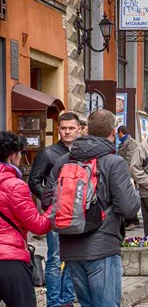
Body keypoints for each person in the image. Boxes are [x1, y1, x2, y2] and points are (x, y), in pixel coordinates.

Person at [43, 110, 140, 307]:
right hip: (102, 246)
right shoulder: (114, 162)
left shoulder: (64, 161)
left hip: (71, 247)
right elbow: (129, 208)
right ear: (113, 132)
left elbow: (47, 199)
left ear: (86, 130)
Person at [28, 112, 79, 307]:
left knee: (72, 257)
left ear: (79, 129)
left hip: (76, 213)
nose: (67, 132)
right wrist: (51, 201)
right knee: (55, 257)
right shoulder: (48, 153)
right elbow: (34, 181)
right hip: (55, 214)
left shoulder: (81, 152)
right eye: (64, 128)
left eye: (71, 128)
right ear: (58, 130)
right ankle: (54, 302)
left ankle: (67, 300)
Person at [0, 131, 53, 307]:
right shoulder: (15, 186)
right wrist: (55, 207)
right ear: (13, 155)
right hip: (10, 262)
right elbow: (39, 226)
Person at [117, 125, 141, 230]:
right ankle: (128, 220)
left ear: (120, 132)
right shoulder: (125, 142)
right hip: (125, 175)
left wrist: (126, 175)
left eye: (118, 134)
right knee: (126, 197)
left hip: (129, 175)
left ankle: (133, 220)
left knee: (130, 197)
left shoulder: (131, 143)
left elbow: (129, 161)